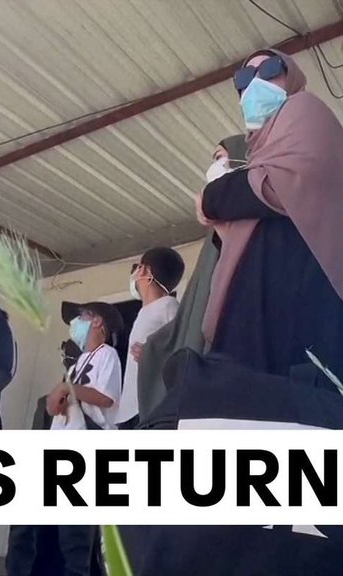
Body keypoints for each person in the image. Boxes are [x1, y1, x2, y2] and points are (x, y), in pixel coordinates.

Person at [197, 49, 343, 396]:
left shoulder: (304, 109)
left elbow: (281, 184)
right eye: (244, 79)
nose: (255, 84)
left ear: (291, 74)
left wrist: (212, 196)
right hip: (260, 305)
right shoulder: (260, 151)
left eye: (269, 69)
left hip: (299, 299)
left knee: (294, 408)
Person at [134, 135, 247, 423]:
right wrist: (155, 350)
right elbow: (192, 316)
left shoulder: (258, 226)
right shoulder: (213, 240)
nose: (214, 167)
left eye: (220, 157)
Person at [5, 302, 123, 576]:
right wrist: (57, 396)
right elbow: (53, 408)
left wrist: (67, 388)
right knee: (28, 526)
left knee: (75, 534)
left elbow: (106, 398)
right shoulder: (77, 363)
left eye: (82, 317)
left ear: (98, 322)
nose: (75, 323)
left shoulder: (108, 355)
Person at [117, 247, 184, 430]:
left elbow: (180, 349)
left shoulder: (169, 306)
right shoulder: (145, 312)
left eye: (136, 267)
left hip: (148, 408)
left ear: (145, 271)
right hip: (132, 408)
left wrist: (154, 356)